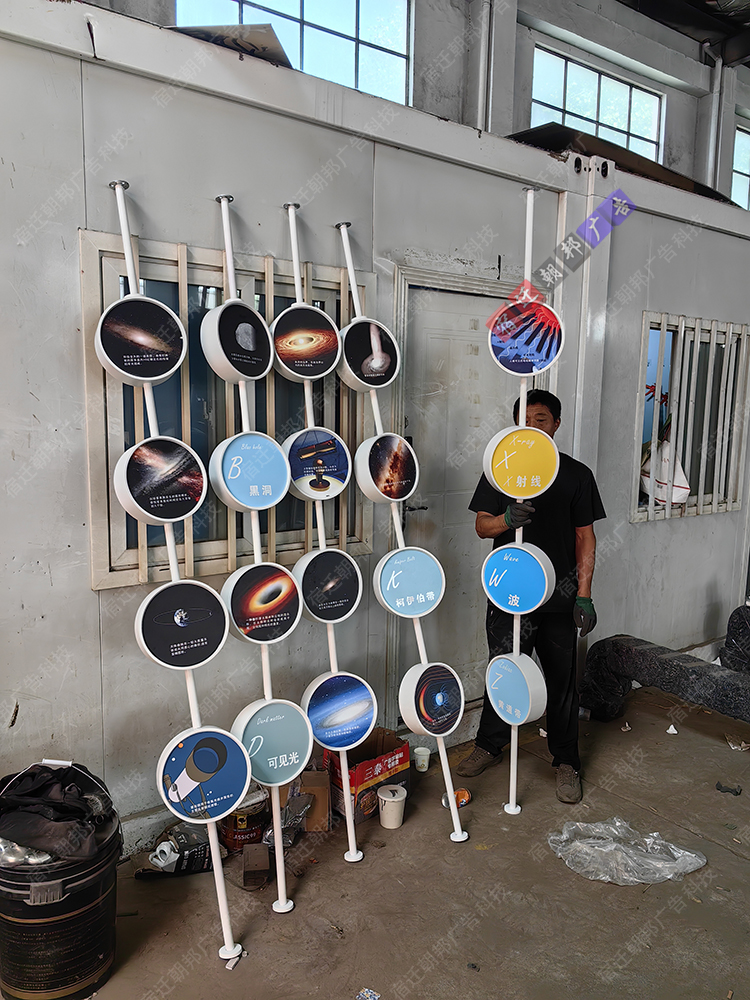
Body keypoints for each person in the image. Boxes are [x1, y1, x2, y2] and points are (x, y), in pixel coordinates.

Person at [457, 389, 606, 804]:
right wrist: (505, 519)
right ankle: (489, 746)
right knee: (504, 669)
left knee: (561, 680)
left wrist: (584, 595)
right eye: (524, 420)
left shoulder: (576, 475)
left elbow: (585, 537)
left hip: (559, 596)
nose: (532, 426)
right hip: (508, 592)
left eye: (540, 419)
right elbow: (482, 526)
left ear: (556, 424)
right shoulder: (500, 468)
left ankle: (566, 762)